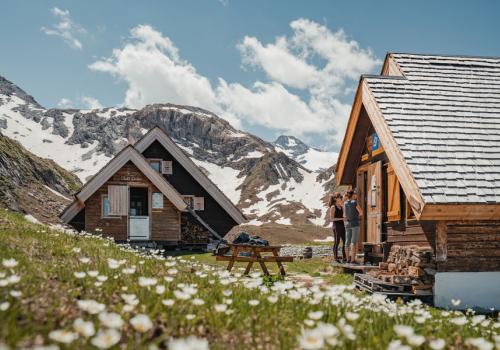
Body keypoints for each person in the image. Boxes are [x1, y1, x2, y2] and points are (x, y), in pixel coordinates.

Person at [343, 189, 363, 264]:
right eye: (355, 194)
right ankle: (353, 260)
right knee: (353, 242)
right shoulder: (355, 202)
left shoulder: (345, 203)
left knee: (347, 242)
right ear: (353, 195)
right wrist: (356, 216)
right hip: (355, 223)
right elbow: (361, 212)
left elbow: (345, 215)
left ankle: (348, 259)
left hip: (347, 224)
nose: (356, 195)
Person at [328, 192, 346, 263]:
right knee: (337, 241)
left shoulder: (341, 207)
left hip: (342, 226)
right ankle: (336, 258)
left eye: (341, 197)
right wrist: (341, 219)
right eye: (339, 197)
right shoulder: (333, 207)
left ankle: (344, 258)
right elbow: (331, 219)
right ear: (335, 198)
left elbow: (343, 216)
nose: (341, 198)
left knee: (345, 241)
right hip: (336, 226)